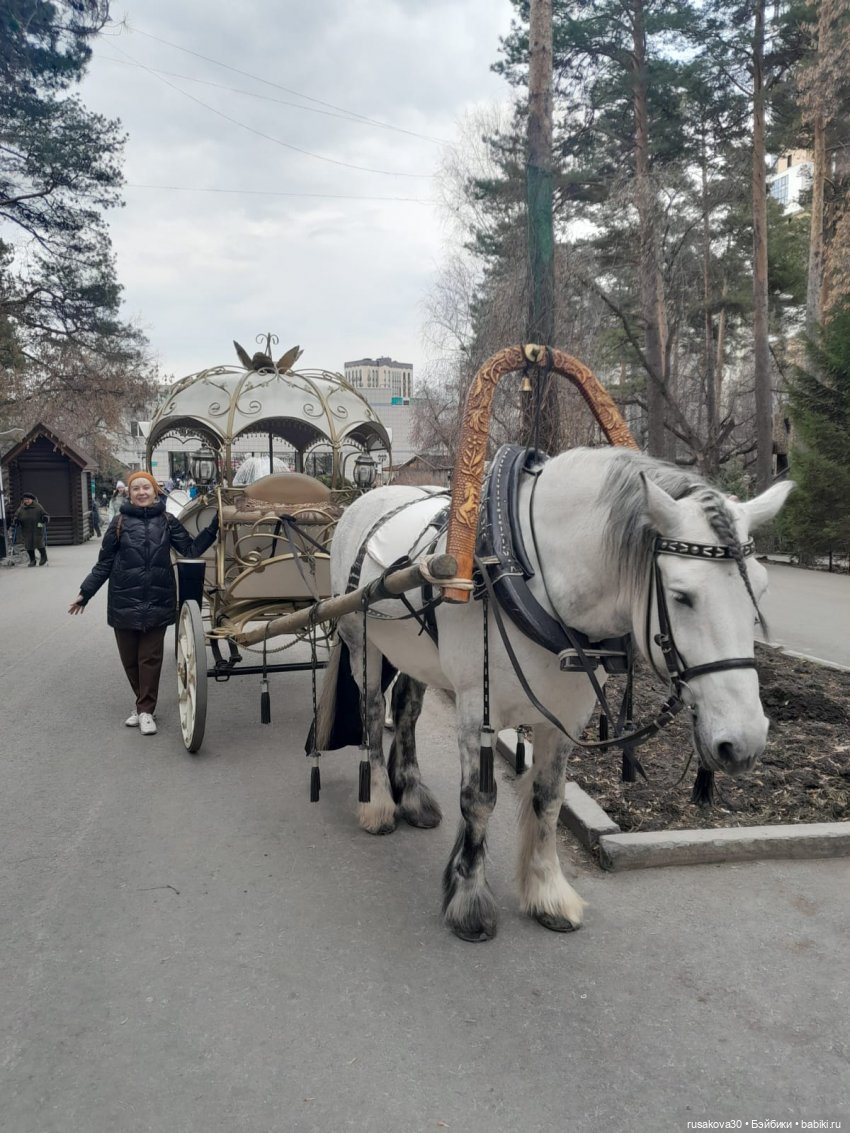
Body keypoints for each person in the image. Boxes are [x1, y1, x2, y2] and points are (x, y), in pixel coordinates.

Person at [68, 470, 219, 736]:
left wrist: (214, 527)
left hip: (158, 600)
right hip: (123, 600)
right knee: (130, 661)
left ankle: (146, 711)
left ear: (154, 491)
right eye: (135, 488)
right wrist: (85, 593)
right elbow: (103, 565)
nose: (141, 492)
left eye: (145, 487)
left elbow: (191, 550)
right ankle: (142, 705)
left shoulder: (168, 521)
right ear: (129, 492)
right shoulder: (118, 523)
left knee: (149, 658)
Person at [14, 490, 49, 566]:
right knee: (28, 545)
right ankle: (32, 560)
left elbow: (45, 514)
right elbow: (16, 516)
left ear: (32, 499)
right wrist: (16, 521)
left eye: (28, 499)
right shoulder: (21, 508)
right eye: (25, 499)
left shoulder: (38, 506)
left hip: (38, 527)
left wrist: (45, 518)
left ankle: (43, 557)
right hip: (26, 529)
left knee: (39, 543)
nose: (26, 501)